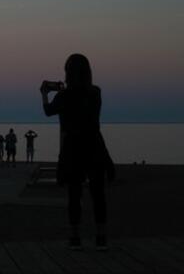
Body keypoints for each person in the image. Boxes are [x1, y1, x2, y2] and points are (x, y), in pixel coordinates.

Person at [41, 53, 115, 251]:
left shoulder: (63, 96)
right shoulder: (96, 93)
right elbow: (86, 109)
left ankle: (75, 239)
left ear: (69, 73)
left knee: (74, 194)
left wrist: (44, 93)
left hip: (73, 147)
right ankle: (101, 238)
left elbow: (48, 111)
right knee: (98, 193)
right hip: (95, 145)